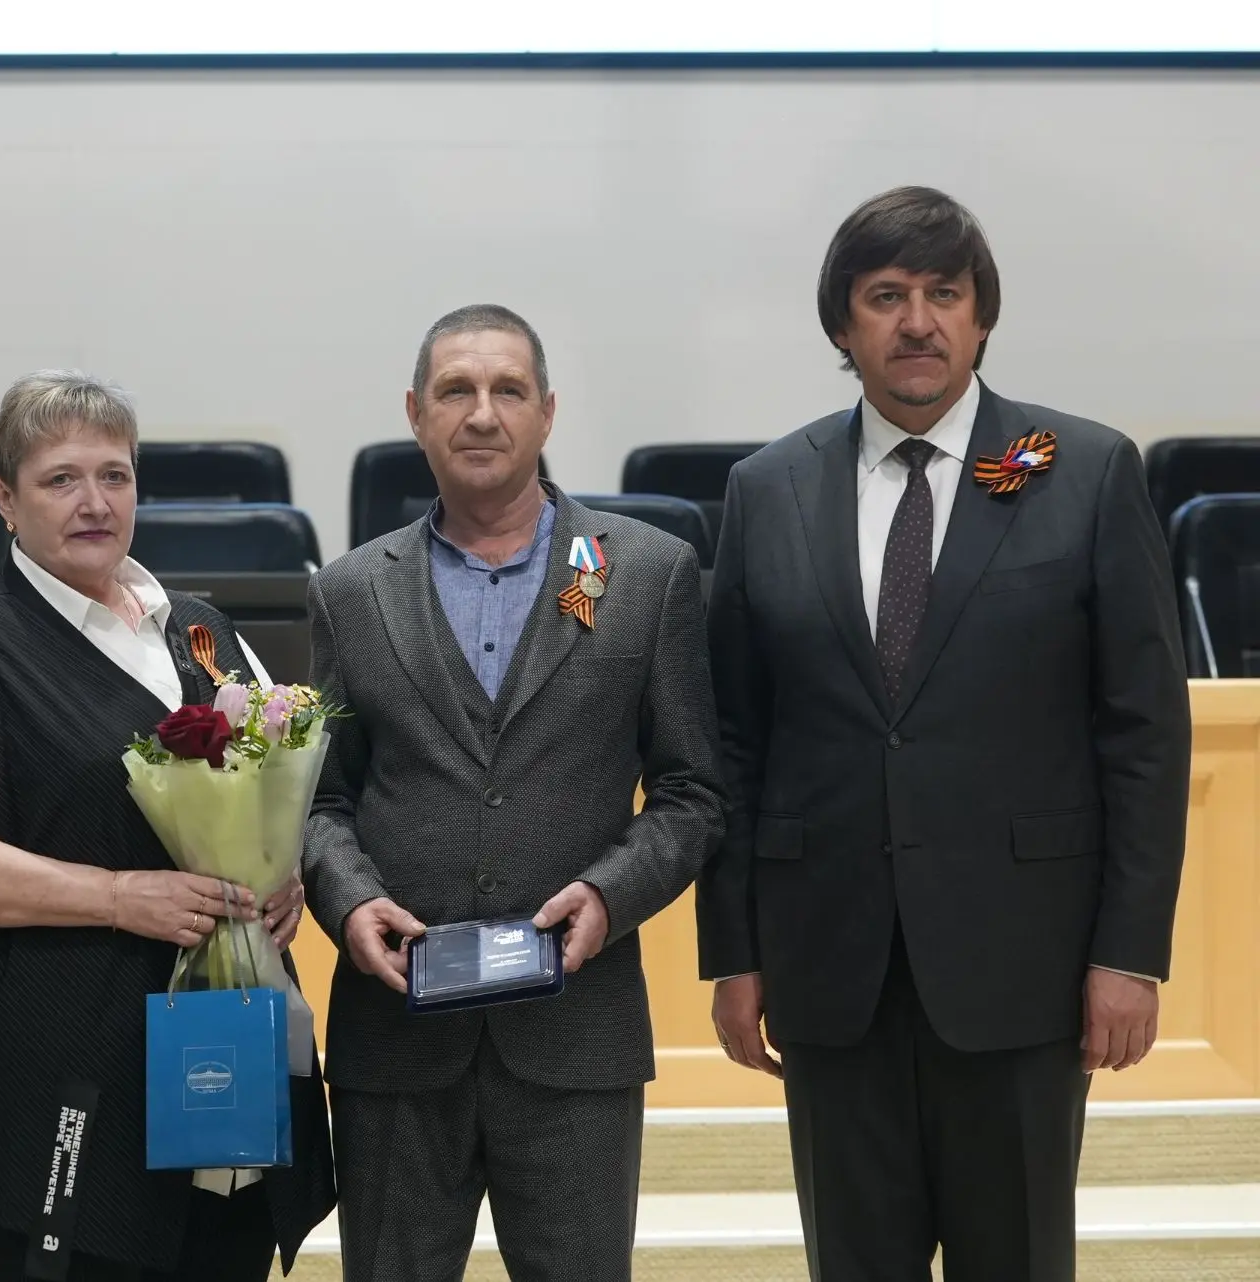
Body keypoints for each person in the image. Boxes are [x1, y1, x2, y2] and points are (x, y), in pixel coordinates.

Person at [700, 186, 1191, 1282]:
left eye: (943, 294)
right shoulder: (767, 489)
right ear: (842, 323)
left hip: (1027, 969)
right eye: (885, 296)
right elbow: (734, 742)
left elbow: (1145, 735)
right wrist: (733, 953)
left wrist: (1128, 952)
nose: (917, 321)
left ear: (981, 316)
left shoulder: (1084, 470)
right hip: (830, 971)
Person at [0, 370, 335, 1282]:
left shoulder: (204, 633)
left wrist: (283, 881)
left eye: (115, 475)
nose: (95, 502)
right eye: (61, 479)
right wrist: (117, 897)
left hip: (223, 1063)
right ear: (5, 499)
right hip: (40, 1073)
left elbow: (281, 795)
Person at [302, 304, 725, 1281]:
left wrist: (611, 895)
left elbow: (692, 790)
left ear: (547, 413)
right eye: (455, 390)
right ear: (415, 414)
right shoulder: (349, 592)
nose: (482, 413)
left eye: (508, 390)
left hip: (577, 1033)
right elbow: (320, 802)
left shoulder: (645, 573)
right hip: (397, 1034)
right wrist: (350, 900)